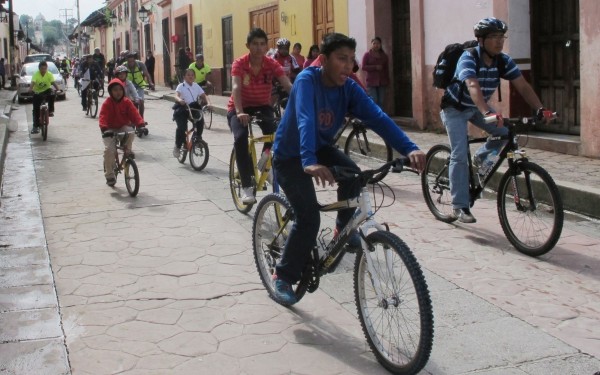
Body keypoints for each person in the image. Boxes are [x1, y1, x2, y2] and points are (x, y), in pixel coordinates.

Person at [270, 33, 426, 305]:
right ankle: (282, 275)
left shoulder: (349, 88)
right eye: (341, 59)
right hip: (291, 156)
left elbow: (377, 117)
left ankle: (342, 229)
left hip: (318, 149)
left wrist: (409, 147)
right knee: (309, 218)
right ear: (323, 60)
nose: (348, 66)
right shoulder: (308, 80)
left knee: (354, 176)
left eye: (351, 60)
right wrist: (309, 161)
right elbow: (305, 118)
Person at [441, 17, 553, 223]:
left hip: (477, 107)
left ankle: (480, 158)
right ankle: (459, 206)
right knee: (458, 154)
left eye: (502, 37)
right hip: (455, 109)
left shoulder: (503, 60)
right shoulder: (468, 57)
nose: (499, 41)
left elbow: (523, 86)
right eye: (494, 37)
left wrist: (540, 108)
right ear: (481, 40)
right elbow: (473, 86)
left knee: (504, 133)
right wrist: (486, 113)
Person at [227, 28, 292, 204]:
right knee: (241, 138)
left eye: (262, 44)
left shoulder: (271, 64)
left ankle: (264, 163)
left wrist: (303, 105)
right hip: (239, 106)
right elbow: (236, 88)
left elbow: (287, 85)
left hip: (262, 106)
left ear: (266, 46)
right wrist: (240, 111)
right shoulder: (239, 63)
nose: (258, 47)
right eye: (255, 44)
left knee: (276, 134)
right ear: (248, 46)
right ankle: (247, 187)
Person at [99, 79, 145, 187]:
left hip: (122, 127)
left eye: (120, 89)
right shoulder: (107, 103)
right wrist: (104, 129)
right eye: (115, 90)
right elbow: (102, 117)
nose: (118, 92)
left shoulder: (127, 102)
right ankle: (109, 175)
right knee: (109, 151)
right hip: (109, 130)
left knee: (130, 131)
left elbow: (135, 114)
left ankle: (128, 150)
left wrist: (141, 124)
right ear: (110, 91)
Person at [172, 69, 212, 157]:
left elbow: (204, 95)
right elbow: (176, 95)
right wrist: (180, 100)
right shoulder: (181, 86)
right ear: (184, 77)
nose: (190, 76)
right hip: (182, 109)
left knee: (200, 122)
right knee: (181, 128)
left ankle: (196, 140)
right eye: (188, 75)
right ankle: (178, 146)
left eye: (192, 75)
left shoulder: (196, 86)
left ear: (194, 77)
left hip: (193, 109)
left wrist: (208, 103)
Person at [28, 61, 60, 134]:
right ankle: (35, 126)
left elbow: (53, 83)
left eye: (45, 69)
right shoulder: (36, 74)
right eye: (42, 69)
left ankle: (50, 110)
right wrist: (30, 89)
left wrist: (58, 89)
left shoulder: (49, 74)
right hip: (37, 93)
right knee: (36, 109)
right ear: (39, 69)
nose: (43, 70)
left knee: (52, 93)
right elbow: (32, 83)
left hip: (46, 91)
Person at [123, 52, 154, 120]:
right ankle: (130, 117)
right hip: (129, 86)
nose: (131, 63)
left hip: (139, 85)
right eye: (129, 62)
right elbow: (120, 76)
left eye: (132, 61)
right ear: (127, 61)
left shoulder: (140, 64)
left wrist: (150, 83)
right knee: (130, 102)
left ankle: (141, 118)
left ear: (134, 60)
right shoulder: (124, 66)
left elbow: (147, 74)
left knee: (141, 101)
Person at [361, 36, 390, 109]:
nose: (376, 45)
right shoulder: (367, 55)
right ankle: (374, 117)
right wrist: (375, 67)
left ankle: (380, 118)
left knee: (381, 101)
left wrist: (387, 81)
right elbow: (363, 67)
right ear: (371, 44)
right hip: (371, 81)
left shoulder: (384, 56)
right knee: (374, 100)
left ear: (380, 45)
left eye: (378, 43)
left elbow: (386, 69)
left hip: (382, 81)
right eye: (374, 43)